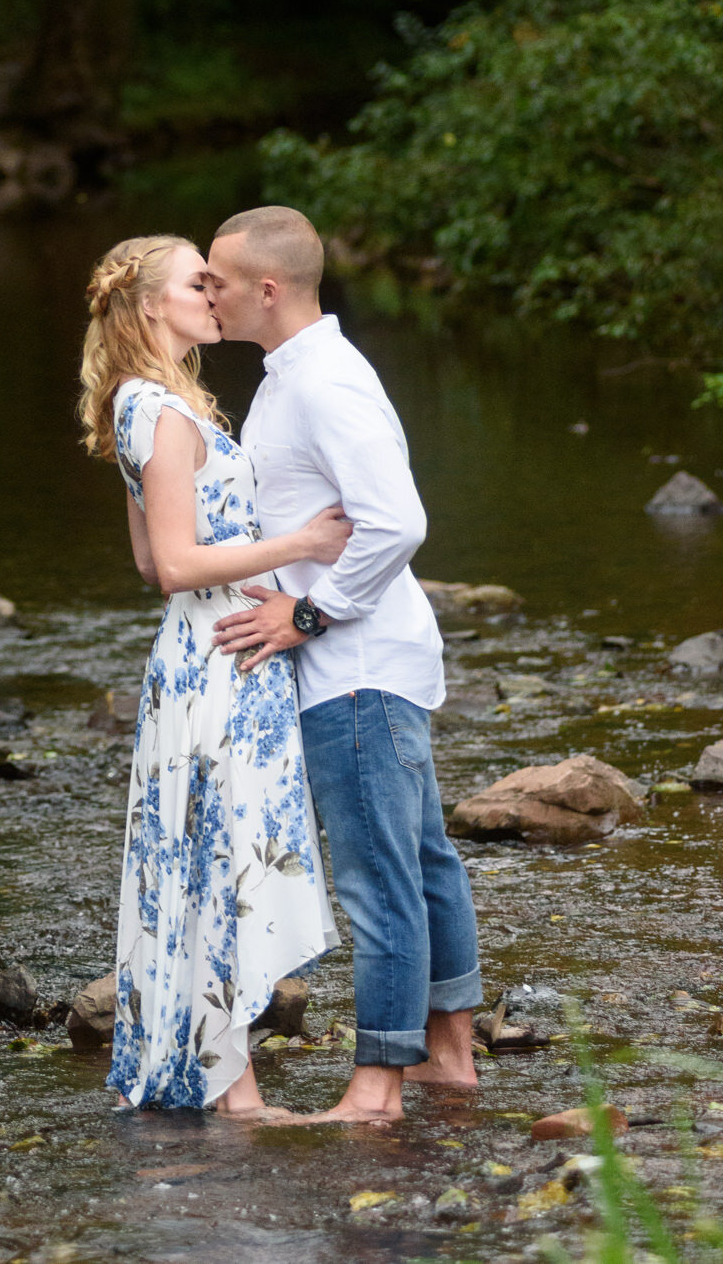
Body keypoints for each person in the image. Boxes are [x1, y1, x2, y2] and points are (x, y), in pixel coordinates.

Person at [204, 205, 482, 1124]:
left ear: (268, 289)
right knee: (424, 858)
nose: (208, 291)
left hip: (354, 665)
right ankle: (448, 1056)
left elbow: (396, 520)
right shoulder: (293, 376)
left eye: (220, 279)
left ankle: (377, 1088)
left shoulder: (323, 382)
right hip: (370, 659)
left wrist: (311, 612)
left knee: (377, 877)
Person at [79, 233, 350, 1117]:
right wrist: (300, 545)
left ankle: (224, 1079)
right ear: (152, 305)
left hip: (199, 653)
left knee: (204, 860)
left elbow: (148, 565)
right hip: (220, 661)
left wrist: (248, 567)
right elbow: (172, 560)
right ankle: (232, 1090)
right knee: (223, 859)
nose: (212, 292)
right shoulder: (159, 410)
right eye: (196, 282)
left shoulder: (140, 403)